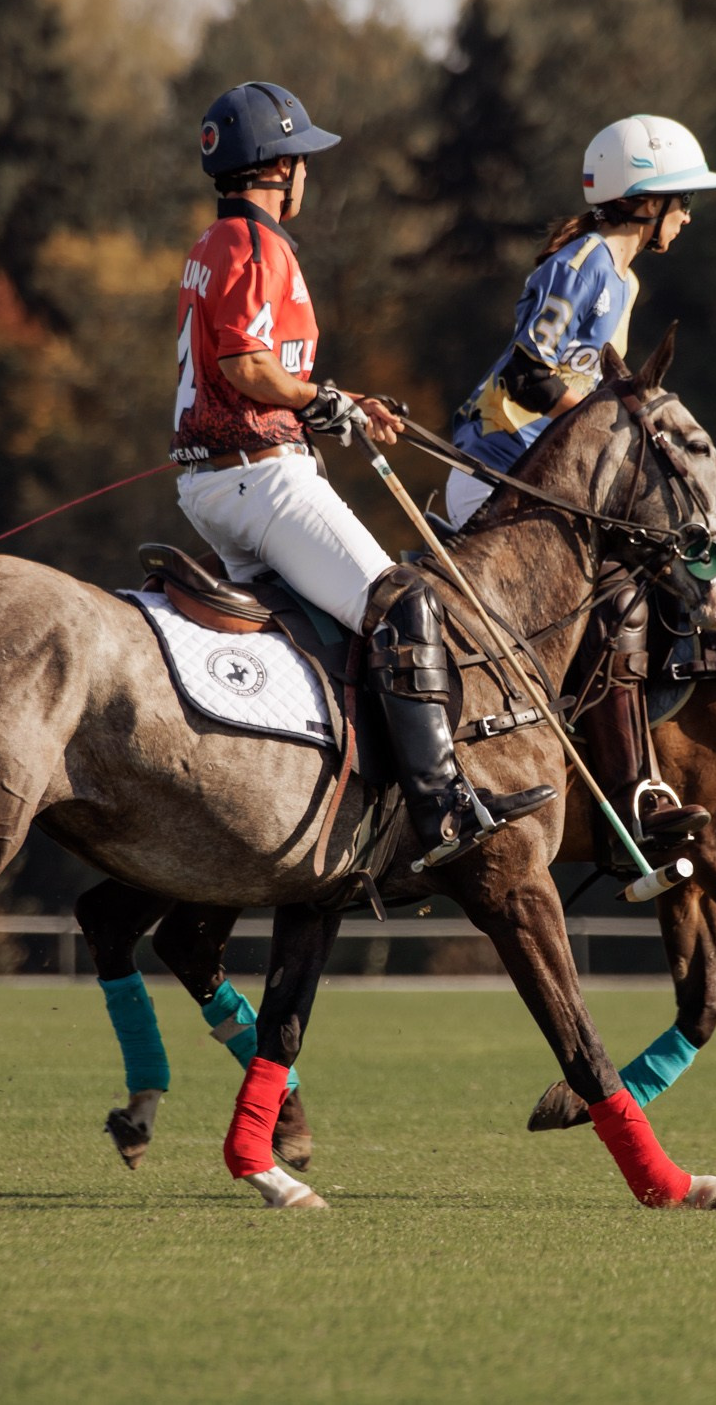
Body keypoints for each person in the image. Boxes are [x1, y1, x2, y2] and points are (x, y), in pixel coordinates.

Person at [172, 81, 552, 866]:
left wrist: (336, 404)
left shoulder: (210, 245)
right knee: (402, 603)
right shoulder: (255, 245)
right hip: (259, 482)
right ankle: (442, 807)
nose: (308, 174)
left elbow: (253, 378)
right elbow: (248, 367)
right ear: (279, 168)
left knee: (327, 633)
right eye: (303, 161)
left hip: (216, 482)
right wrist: (320, 399)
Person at [445, 116, 716, 872]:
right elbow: (528, 376)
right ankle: (627, 792)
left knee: (646, 581)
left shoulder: (623, 277)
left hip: (548, 480)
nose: (688, 217)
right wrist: (611, 421)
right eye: (681, 201)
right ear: (645, 201)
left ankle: (629, 776)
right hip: (496, 472)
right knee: (616, 599)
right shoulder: (583, 263)